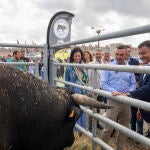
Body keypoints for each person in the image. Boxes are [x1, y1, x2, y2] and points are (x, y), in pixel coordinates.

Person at [100, 44, 136, 150]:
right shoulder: (109, 66)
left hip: (126, 100)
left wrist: (129, 92)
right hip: (113, 100)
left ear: (126, 55)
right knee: (108, 127)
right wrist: (115, 92)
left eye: (121, 54)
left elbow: (133, 84)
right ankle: (103, 147)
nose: (119, 57)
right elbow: (103, 84)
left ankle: (119, 148)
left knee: (124, 127)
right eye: (117, 54)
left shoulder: (129, 68)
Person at [126, 40, 150, 138]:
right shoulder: (144, 67)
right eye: (139, 53)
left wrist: (130, 94)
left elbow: (148, 87)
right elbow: (141, 86)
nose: (140, 56)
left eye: (143, 53)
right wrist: (140, 108)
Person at [65, 47, 88, 135]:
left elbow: (86, 80)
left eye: (79, 56)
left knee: (82, 112)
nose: (77, 58)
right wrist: (67, 94)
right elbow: (66, 82)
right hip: (73, 94)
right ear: (72, 57)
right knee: (74, 113)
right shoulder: (69, 68)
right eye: (75, 56)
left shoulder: (84, 67)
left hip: (82, 93)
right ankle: (74, 132)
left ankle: (81, 132)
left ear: (81, 56)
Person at [126, 45, 143, 136]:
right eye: (126, 51)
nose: (128, 53)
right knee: (131, 113)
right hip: (125, 91)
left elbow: (139, 75)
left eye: (129, 51)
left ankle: (139, 133)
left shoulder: (135, 62)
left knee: (138, 110)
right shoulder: (119, 62)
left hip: (136, 89)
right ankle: (132, 132)